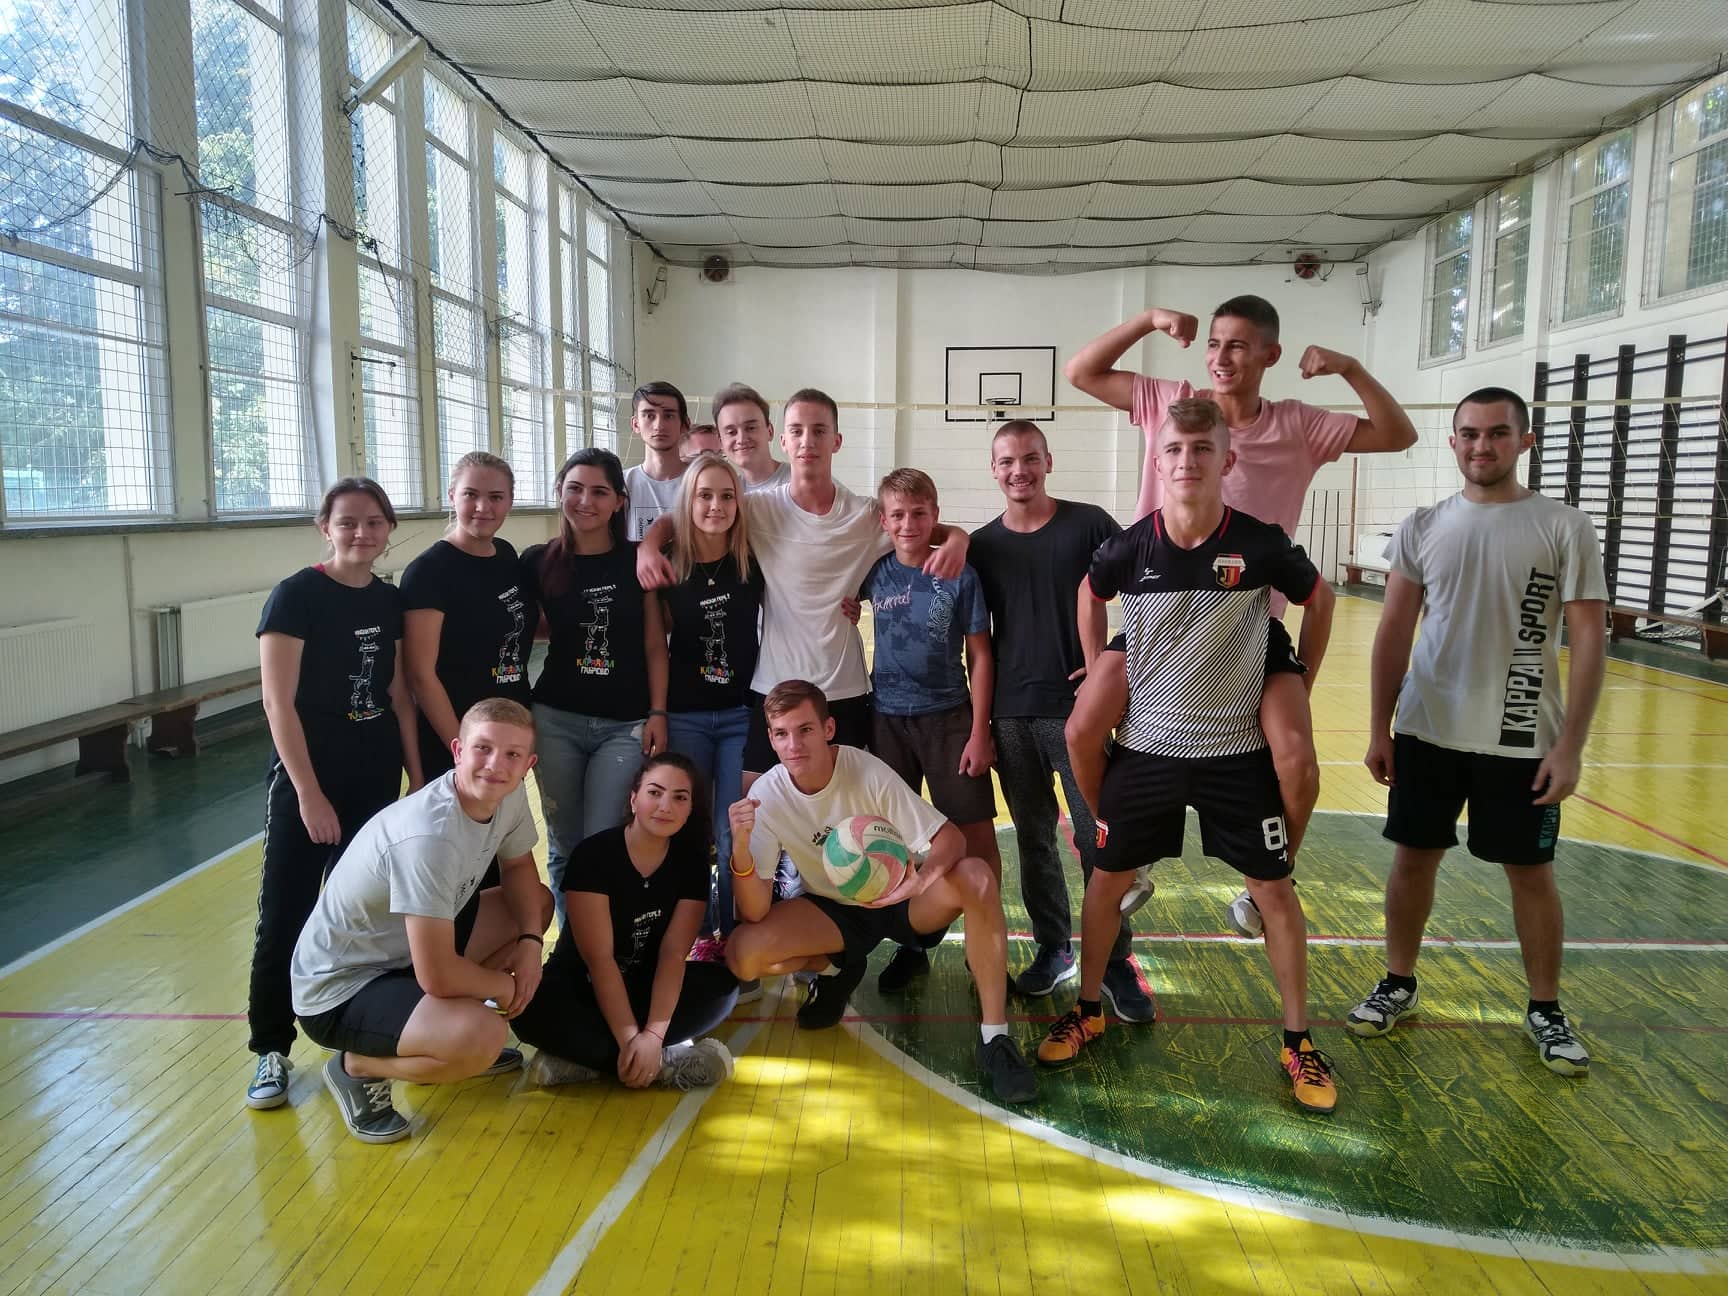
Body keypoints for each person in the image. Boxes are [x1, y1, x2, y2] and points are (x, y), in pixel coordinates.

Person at [1064, 296, 1417, 930]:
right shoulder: (1173, 403)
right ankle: (1124, 850)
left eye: (1237, 345)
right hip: (1155, 622)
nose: (1221, 357)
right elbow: (1081, 372)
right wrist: (1148, 320)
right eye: (1214, 343)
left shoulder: (1298, 424)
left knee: (1296, 760)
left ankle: (1271, 879)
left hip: (1250, 630)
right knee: (1083, 729)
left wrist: (1349, 367)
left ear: (1270, 355)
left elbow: (1398, 435)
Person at [1040, 399, 1339, 1114]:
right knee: (1105, 878)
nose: (1187, 461)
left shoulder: (1259, 542)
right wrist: (1095, 661)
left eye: (1202, 449)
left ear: (1227, 460)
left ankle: (1298, 1041)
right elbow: (1089, 593)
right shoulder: (1132, 546)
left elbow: (1320, 599)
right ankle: (1088, 1008)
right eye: (1174, 449)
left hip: (1235, 749)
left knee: (1276, 891)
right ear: (1158, 460)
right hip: (1149, 745)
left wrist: (1300, 677)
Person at [1348, 388, 1607, 1077]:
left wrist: (1571, 746)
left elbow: (1589, 639)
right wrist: (1379, 727)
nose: (1480, 445)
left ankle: (1545, 1008)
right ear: (1454, 441)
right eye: (1468, 433)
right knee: (1412, 861)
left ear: (1525, 441)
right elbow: (1393, 631)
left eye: (1496, 433)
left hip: (1522, 738)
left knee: (1531, 874)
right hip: (1427, 731)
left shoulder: (1564, 527)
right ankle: (1398, 982)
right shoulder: (1423, 526)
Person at [724, 681, 1036, 1104]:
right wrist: (741, 850)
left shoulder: (865, 771)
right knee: (743, 955)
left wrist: (919, 882)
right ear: (771, 739)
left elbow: (951, 840)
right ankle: (836, 968)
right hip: (834, 912)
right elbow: (755, 910)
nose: (793, 745)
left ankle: (995, 1037)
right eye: (782, 733)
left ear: (829, 728)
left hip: (902, 897)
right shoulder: (767, 796)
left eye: (805, 730)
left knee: (977, 875)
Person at [637, 388, 967, 782]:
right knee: (755, 803)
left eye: (819, 431)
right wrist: (649, 546)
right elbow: (687, 512)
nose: (807, 441)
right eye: (797, 431)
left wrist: (957, 537)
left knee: (843, 805)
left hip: (843, 688)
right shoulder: (758, 508)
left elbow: (915, 526)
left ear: (837, 441)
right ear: (783, 440)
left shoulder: (864, 515)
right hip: (773, 684)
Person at [290, 699, 554, 1143]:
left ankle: (438, 1038)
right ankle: (358, 1066)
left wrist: (530, 943)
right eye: (483, 748)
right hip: (342, 988)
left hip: (406, 956)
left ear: (528, 765)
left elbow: (518, 868)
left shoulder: (505, 796)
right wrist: (508, 989)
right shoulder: (429, 836)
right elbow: (438, 975)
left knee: (534, 905)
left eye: (512, 754)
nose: (495, 765)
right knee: (484, 1036)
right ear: (458, 751)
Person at [965, 421, 1154, 1021]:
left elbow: (1149, 584)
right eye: (1006, 461)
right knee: (1034, 838)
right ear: (993, 470)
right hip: (1010, 714)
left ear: (1048, 461)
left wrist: (1112, 665)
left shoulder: (1089, 524)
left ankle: (1116, 960)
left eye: (1029, 458)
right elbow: (972, 634)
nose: (1018, 470)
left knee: (1100, 839)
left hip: (1077, 713)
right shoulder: (981, 545)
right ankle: (1054, 947)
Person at [245, 477, 422, 1112]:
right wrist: (308, 795)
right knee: (286, 913)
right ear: (326, 527)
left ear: (388, 529)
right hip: (309, 781)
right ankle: (271, 1046)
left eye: (374, 522)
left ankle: (364, 1036)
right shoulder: (296, 596)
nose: (361, 532)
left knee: (368, 916)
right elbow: (277, 703)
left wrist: (415, 779)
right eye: (347, 521)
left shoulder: (389, 600)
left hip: (374, 778)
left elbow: (397, 695)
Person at [513, 753, 739, 1090]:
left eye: (680, 798)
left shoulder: (692, 864)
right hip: (583, 987)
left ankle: (587, 1061)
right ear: (634, 799)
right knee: (528, 1009)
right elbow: (599, 960)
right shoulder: (593, 855)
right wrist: (631, 1037)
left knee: (723, 988)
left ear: (691, 809)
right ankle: (662, 1064)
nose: (665, 806)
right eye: (655, 792)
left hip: (644, 987)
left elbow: (673, 955)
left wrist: (653, 1035)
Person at [858, 468, 1000, 994]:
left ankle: (986, 952)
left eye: (919, 514)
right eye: (897, 515)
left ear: (935, 515)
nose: (908, 524)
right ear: (883, 521)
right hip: (887, 720)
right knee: (898, 841)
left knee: (976, 838)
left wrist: (980, 731)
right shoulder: (874, 572)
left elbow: (980, 655)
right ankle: (913, 945)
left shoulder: (959, 572)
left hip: (949, 719)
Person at [522, 449, 669, 922]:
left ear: (619, 501)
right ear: (559, 492)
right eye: (575, 489)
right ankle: (572, 947)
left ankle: (605, 945)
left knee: (605, 840)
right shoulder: (538, 561)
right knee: (565, 844)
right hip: (555, 719)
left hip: (624, 725)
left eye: (599, 491)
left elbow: (654, 646)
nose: (585, 501)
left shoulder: (635, 560)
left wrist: (658, 712)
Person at [656, 452, 764, 994]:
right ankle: (698, 935)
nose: (716, 506)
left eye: (726, 496)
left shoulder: (752, 560)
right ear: (688, 501)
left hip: (742, 713)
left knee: (732, 828)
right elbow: (654, 644)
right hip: (687, 715)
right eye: (705, 495)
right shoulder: (668, 565)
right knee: (693, 830)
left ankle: (733, 934)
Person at [402, 451, 536, 786]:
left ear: (510, 502)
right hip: (457, 743)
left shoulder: (506, 555)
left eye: (496, 497)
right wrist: (462, 749)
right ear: (452, 496)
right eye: (470, 495)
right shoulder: (428, 572)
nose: (482, 507)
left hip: (509, 734)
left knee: (509, 821)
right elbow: (421, 675)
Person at [623, 381, 690, 541]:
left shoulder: (701, 481)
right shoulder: (622, 484)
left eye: (668, 415)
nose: (659, 425)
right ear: (635, 424)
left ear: (685, 424)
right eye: (649, 415)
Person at [713, 381, 789, 492]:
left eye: (751, 428)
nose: (741, 439)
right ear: (721, 442)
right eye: (731, 432)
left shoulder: (799, 481)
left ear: (770, 431)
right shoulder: (729, 493)